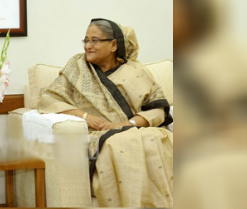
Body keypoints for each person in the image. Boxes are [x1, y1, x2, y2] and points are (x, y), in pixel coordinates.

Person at [38, 18, 173, 207]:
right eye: (85, 40)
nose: (88, 46)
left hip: (134, 128)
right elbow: (49, 99)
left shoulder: (135, 71)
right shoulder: (78, 67)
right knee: (122, 143)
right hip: (100, 134)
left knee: (157, 139)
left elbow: (157, 109)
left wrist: (127, 125)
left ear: (113, 45)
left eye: (94, 40)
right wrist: (87, 117)